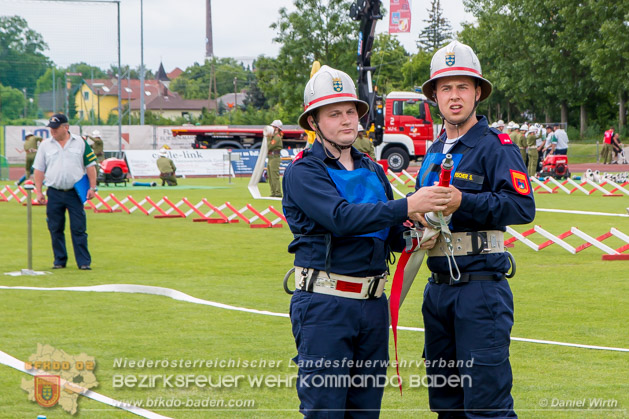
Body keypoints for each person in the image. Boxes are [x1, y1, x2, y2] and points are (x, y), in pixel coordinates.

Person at [283, 64, 452, 417]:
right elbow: (340, 218)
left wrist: (418, 228)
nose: (347, 120)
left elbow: (390, 235)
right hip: (325, 306)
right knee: (325, 410)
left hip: (373, 305)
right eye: (334, 114)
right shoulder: (304, 171)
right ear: (314, 122)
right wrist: (407, 203)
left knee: (365, 411)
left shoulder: (373, 168)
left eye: (351, 111)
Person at [416, 40, 535, 417]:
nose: (454, 96)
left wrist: (463, 201)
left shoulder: (495, 146)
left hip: (479, 291)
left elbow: (522, 206)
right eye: (445, 88)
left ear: (478, 92)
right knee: (446, 405)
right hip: (436, 292)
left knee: (487, 408)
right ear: (434, 95)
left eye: (462, 87)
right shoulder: (435, 148)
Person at [33, 113, 98, 270]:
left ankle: (83, 262)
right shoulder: (45, 145)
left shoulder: (80, 143)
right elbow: (39, 169)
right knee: (55, 227)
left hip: (74, 191)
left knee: (78, 228)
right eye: (51, 128)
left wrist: (92, 187)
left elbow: (90, 165)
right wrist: (39, 191)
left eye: (56, 128)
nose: (53, 131)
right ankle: (59, 260)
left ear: (66, 127)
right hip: (54, 191)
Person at [267, 119, 284, 197]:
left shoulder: (276, 137)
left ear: (277, 128)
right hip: (271, 157)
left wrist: (268, 138)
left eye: (273, 127)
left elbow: (269, 146)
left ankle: (277, 192)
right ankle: (273, 192)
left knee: (274, 175)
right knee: (270, 175)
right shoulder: (273, 136)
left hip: (274, 157)